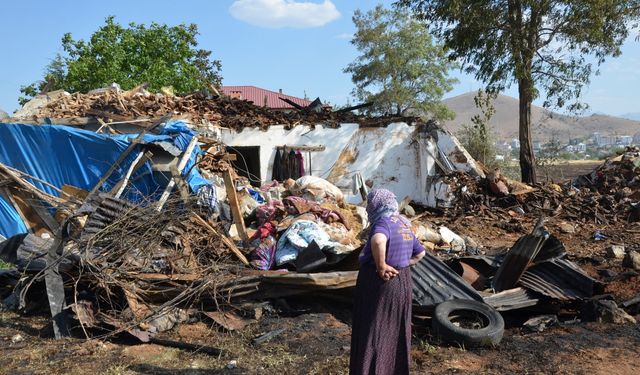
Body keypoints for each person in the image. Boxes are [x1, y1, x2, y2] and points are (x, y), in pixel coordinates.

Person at [350, 188, 425, 375]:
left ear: (376, 205)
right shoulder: (403, 224)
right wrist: (405, 263)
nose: (368, 208)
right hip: (402, 283)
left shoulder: (382, 223)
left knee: (373, 330)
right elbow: (421, 253)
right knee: (395, 331)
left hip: (380, 284)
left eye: (370, 204)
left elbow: (377, 241)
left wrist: (382, 265)